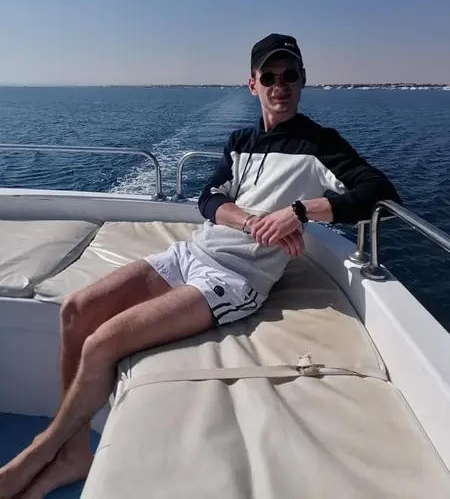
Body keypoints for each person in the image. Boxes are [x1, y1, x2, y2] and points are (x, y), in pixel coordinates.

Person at [0, 33, 401, 498]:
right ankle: (73, 454)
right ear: (252, 84)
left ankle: (42, 449)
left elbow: (378, 192)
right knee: (75, 310)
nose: (280, 85)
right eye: (269, 76)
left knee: (102, 343)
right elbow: (209, 199)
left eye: (289, 75)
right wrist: (253, 222)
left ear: (302, 80)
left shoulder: (319, 145)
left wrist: (297, 212)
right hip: (192, 253)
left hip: (235, 279)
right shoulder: (240, 141)